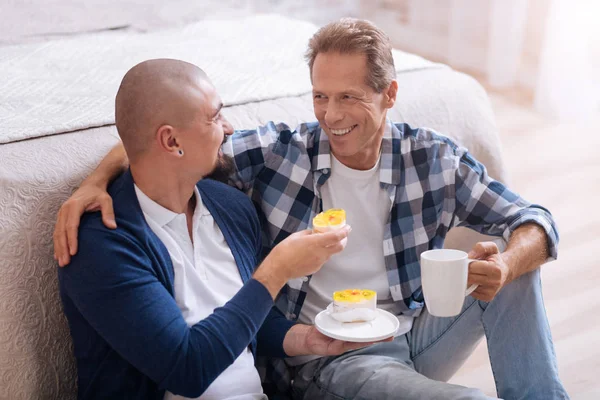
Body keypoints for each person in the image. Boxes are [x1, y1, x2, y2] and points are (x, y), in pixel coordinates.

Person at [55, 19, 569, 400]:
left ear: (390, 94)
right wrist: (94, 181)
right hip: (335, 362)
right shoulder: (280, 154)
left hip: (409, 330)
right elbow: (152, 143)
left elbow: (537, 222)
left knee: (517, 271)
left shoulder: (432, 159)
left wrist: (503, 265)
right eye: (320, 96)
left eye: (348, 97)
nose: (331, 115)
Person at [56, 58, 388, 400]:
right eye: (215, 117)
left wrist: (306, 339)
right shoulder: (101, 245)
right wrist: (276, 271)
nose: (228, 128)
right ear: (171, 142)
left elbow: (241, 320)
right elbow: (188, 369)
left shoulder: (230, 207)